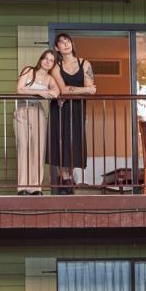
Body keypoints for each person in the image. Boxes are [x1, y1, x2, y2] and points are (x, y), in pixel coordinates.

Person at [47, 33, 96, 194]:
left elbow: (92, 90)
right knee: (61, 141)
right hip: (59, 109)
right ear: (57, 48)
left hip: (77, 108)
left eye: (67, 41)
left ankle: (67, 178)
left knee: (74, 142)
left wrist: (83, 91)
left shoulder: (85, 63)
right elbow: (63, 90)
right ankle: (64, 179)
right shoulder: (56, 66)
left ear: (72, 43)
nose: (65, 44)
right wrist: (86, 89)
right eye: (61, 42)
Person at [14, 49, 58, 195]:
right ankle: (22, 187)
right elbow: (19, 89)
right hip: (22, 109)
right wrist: (39, 92)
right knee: (23, 147)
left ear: (53, 64)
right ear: (41, 59)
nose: (48, 62)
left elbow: (56, 93)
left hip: (38, 111)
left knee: (37, 149)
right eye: (46, 58)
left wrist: (44, 92)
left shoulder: (50, 79)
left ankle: (35, 187)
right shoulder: (29, 70)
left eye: (51, 60)